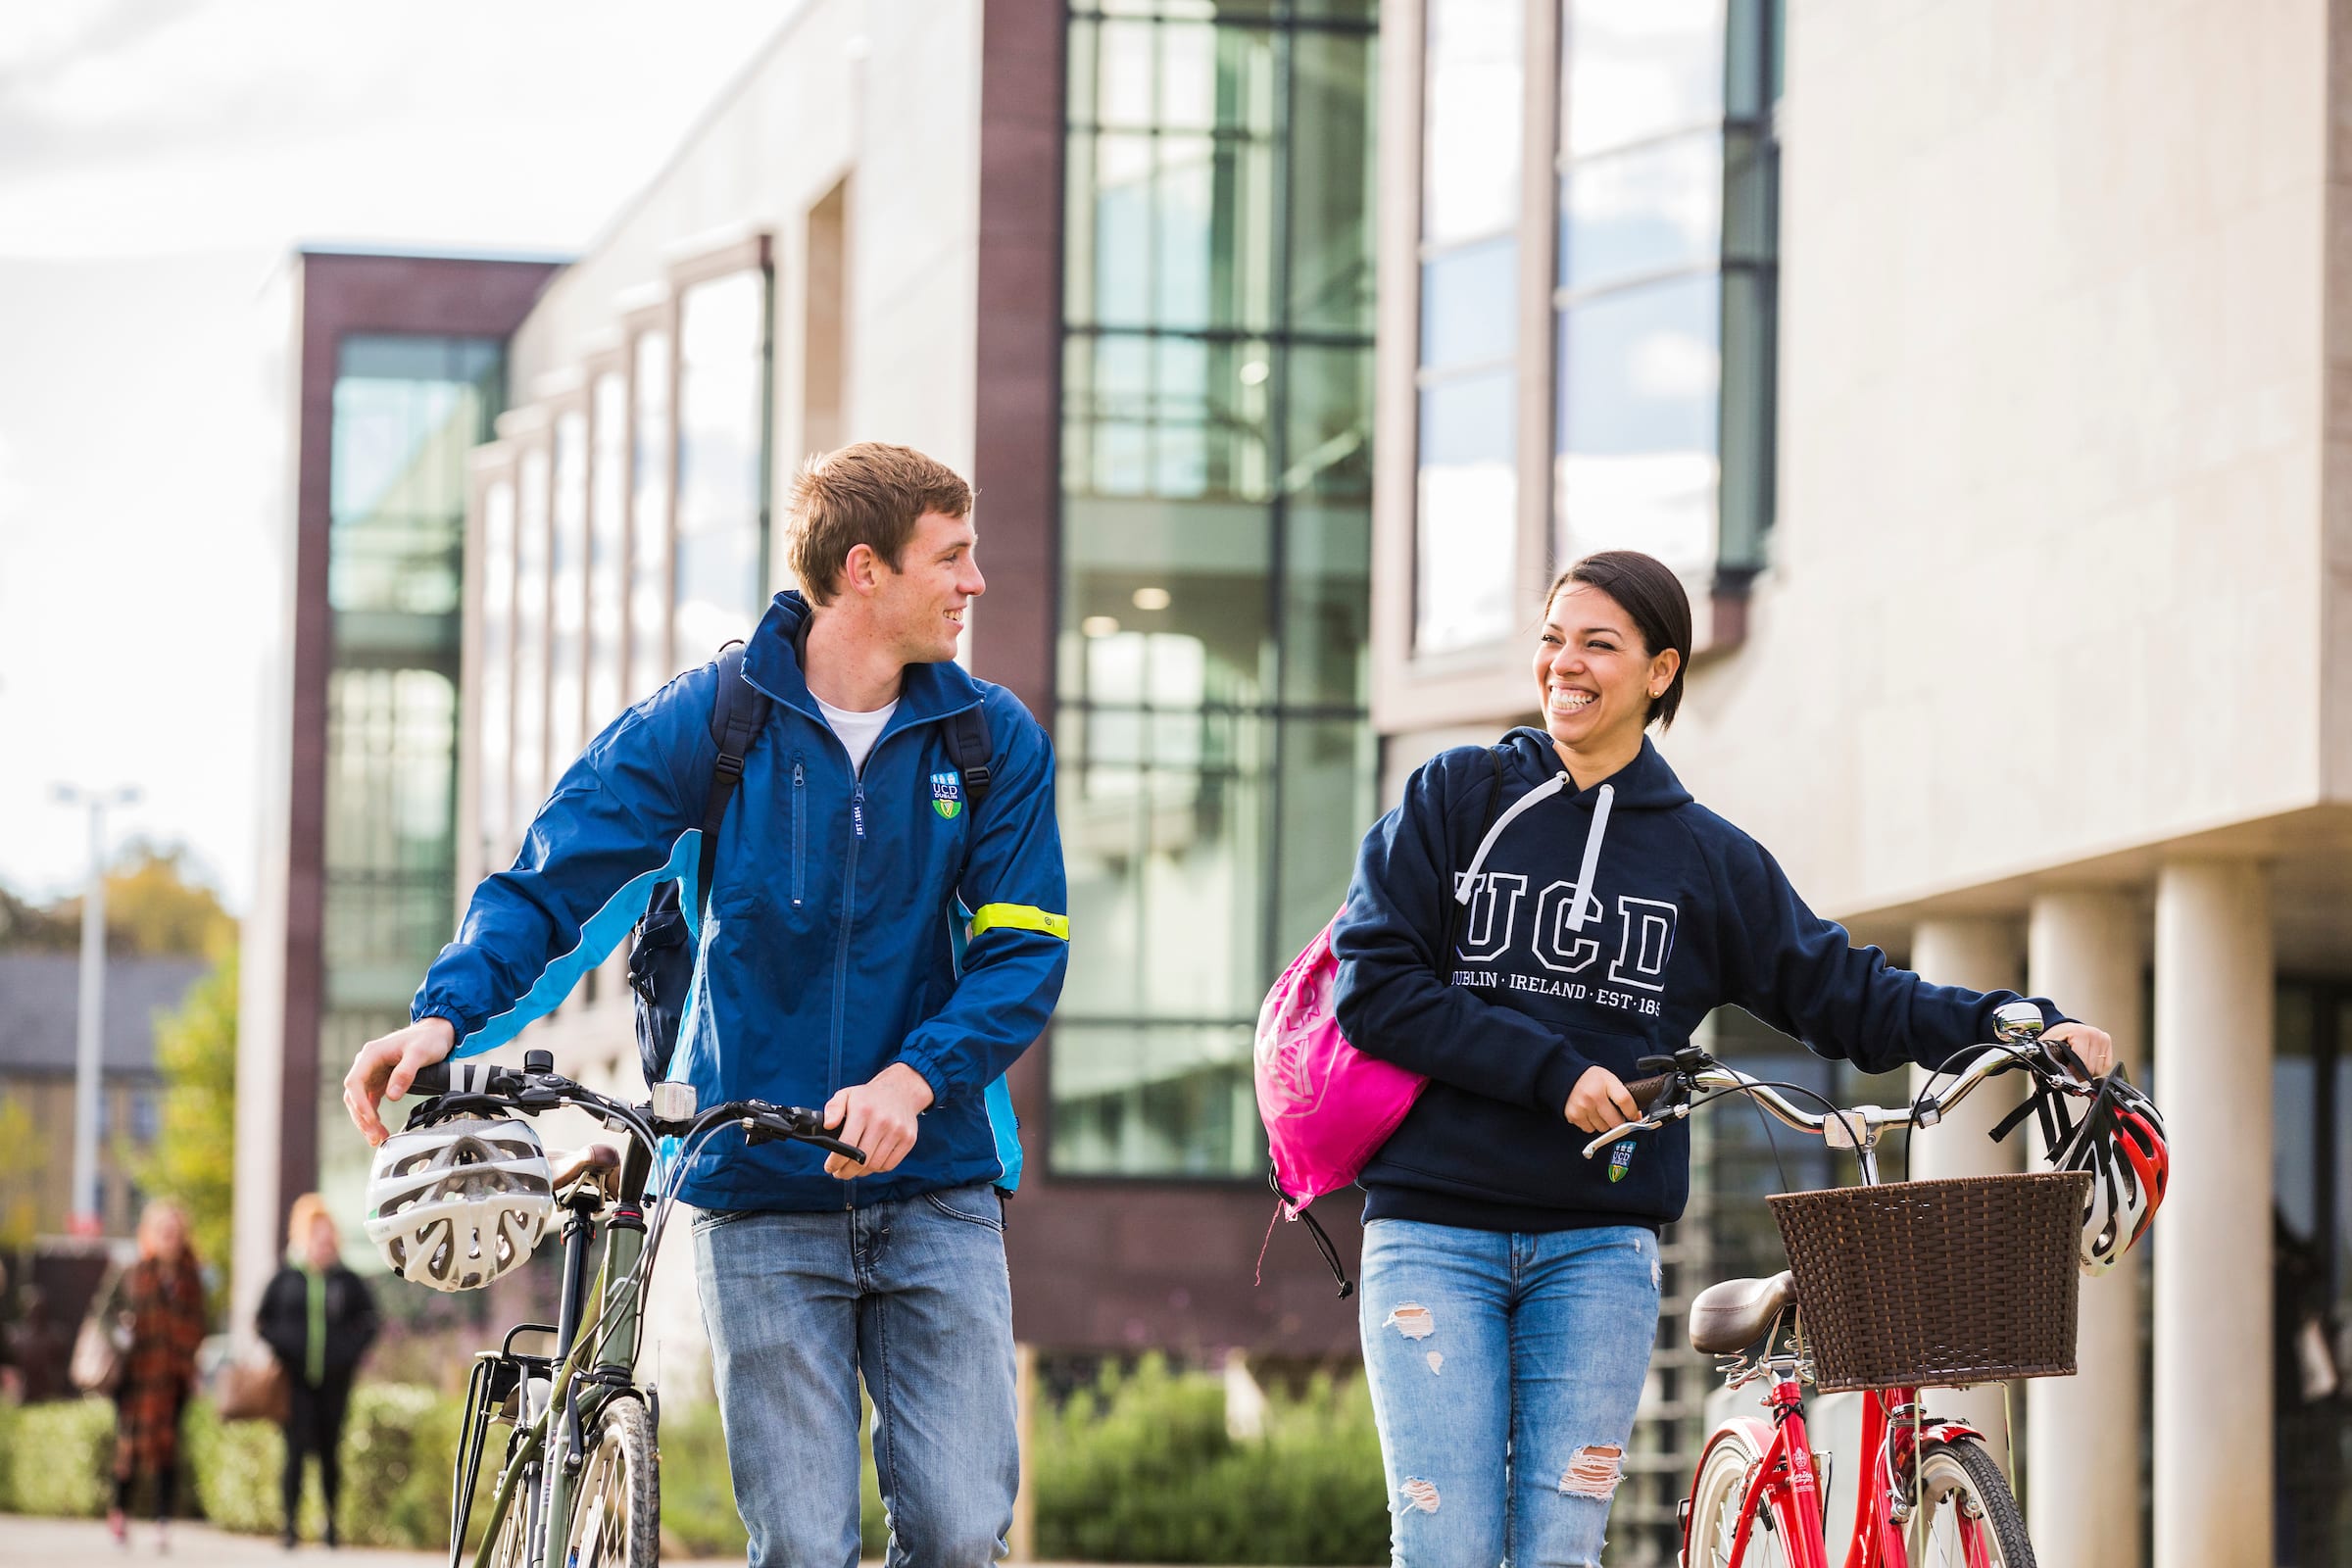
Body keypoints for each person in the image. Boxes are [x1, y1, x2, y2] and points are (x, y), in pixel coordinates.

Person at [341, 442, 1069, 1567]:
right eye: (952, 557)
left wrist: (913, 1080)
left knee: (961, 1530)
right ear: (864, 569)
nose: (975, 582)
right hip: (757, 1189)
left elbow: (1024, 953)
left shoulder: (990, 742)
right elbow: (554, 879)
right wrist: (446, 1014)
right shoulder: (713, 722)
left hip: (936, 1185)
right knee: (802, 1546)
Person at [1330, 550, 2115, 1564]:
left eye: (1598, 644)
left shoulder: (1702, 856)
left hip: (1596, 1249)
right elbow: (1375, 987)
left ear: (1661, 671)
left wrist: (2014, 1020)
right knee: (1447, 1546)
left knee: (1560, 1551)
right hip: (1435, 1232)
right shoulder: (1456, 797)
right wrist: (1554, 1073)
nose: (1564, 664)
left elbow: (1846, 992)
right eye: (1553, 639)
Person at [258, 1192, 379, 1550]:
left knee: (330, 1453)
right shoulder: (285, 1279)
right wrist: (285, 1348)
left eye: (328, 1239)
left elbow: (369, 1323)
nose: (323, 1246)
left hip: (334, 1383)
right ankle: (290, 1526)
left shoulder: (346, 1281)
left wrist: (347, 1354)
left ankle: (331, 1525)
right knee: (294, 1453)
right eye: (316, 1237)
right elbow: (263, 1321)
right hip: (295, 1382)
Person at [104, 1200, 208, 1551]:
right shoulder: (131, 1271)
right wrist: (121, 1337)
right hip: (135, 1374)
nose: (169, 1237)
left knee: (166, 1449)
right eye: (163, 1230)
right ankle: (120, 1512)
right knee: (129, 1447)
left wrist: (189, 1358)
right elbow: (104, 1314)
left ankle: (162, 1521)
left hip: (174, 1376)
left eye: (174, 1231)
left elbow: (200, 1322)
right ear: (149, 1234)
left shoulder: (190, 1277)